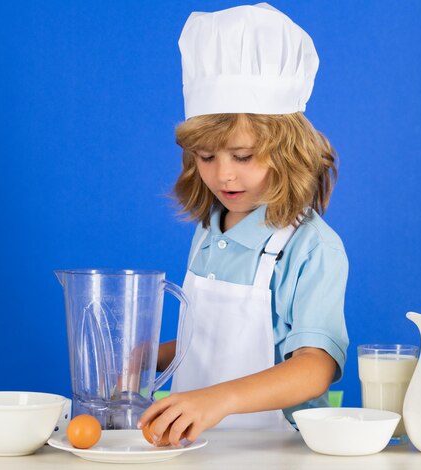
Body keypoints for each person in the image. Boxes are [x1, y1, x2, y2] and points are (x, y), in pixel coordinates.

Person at [137, 3, 349, 445]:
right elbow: (215, 344)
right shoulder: (210, 229)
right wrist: (151, 358)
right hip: (195, 443)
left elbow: (315, 366)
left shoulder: (310, 247)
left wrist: (218, 400)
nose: (223, 175)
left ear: (289, 151)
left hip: (278, 447)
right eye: (207, 157)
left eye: (243, 156)